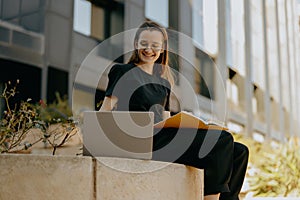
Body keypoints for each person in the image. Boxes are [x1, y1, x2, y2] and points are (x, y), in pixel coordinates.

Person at [99, 20, 249, 200]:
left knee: (239, 150)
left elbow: (166, 119)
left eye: (155, 45)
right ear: (136, 44)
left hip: (163, 137)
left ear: (162, 49)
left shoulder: (163, 82)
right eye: (144, 43)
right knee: (223, 140)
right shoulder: (122, 71)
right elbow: (104, 111)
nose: (149, 49)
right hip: (141, 139)